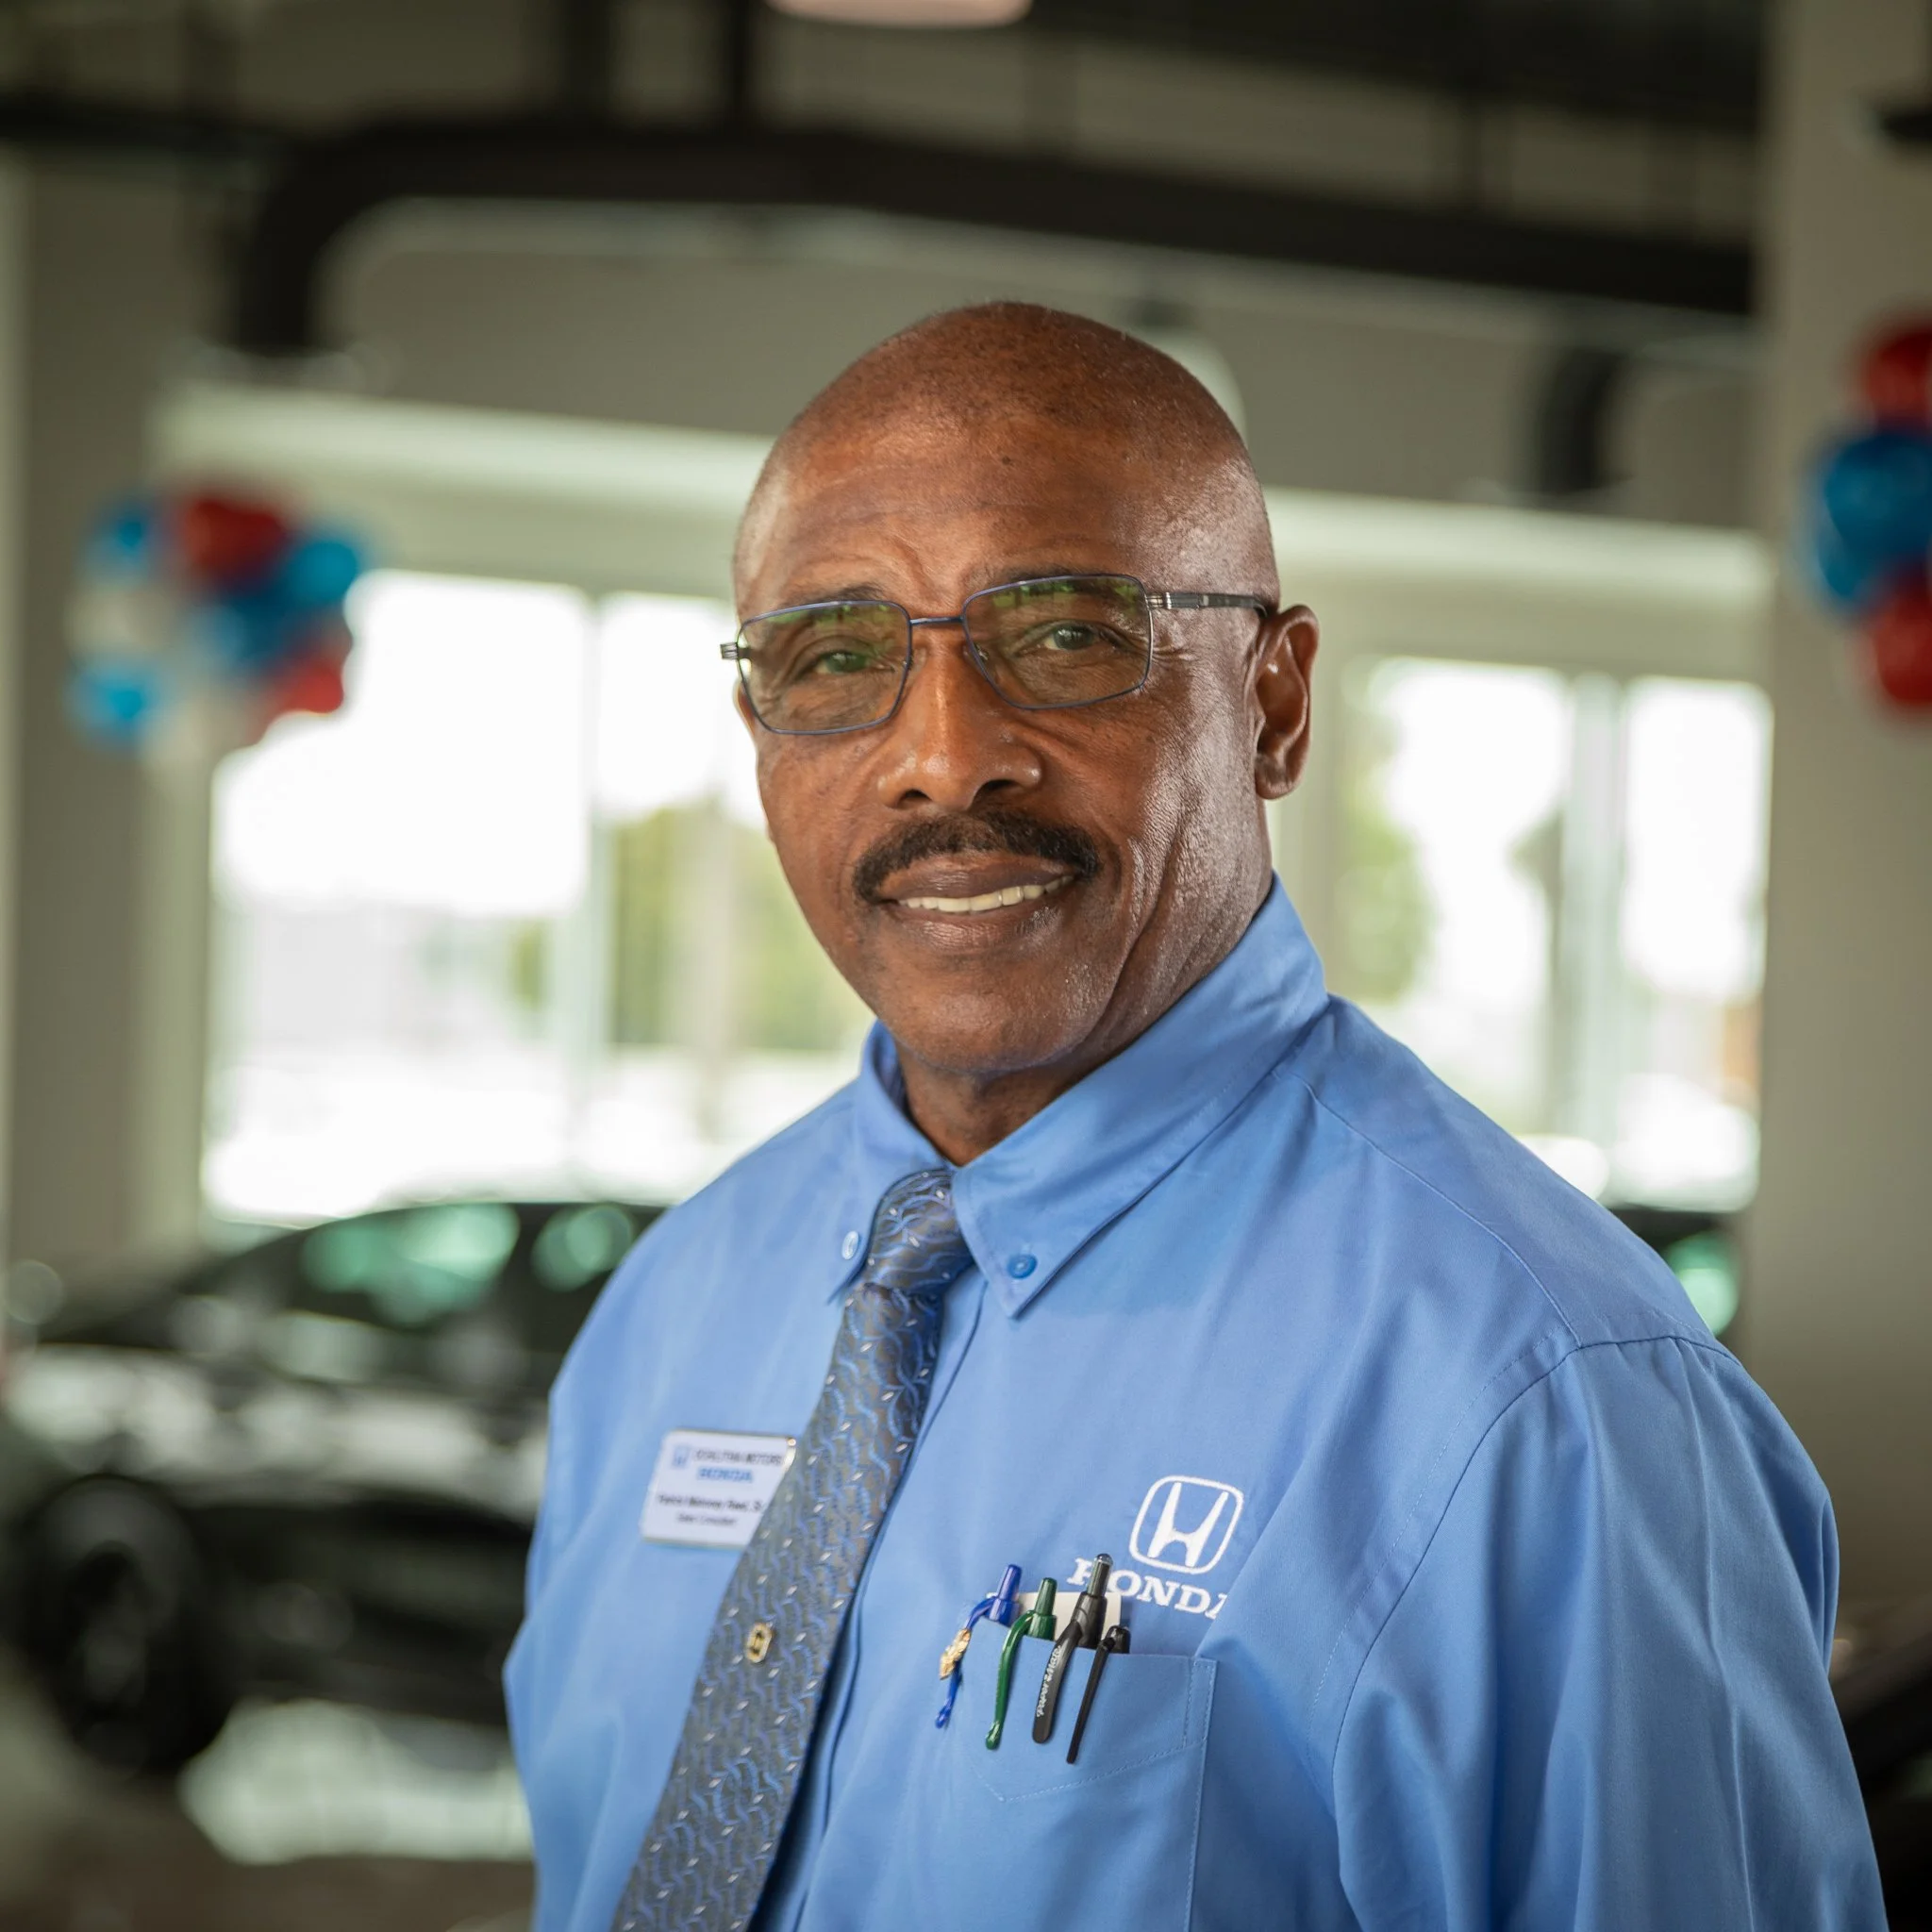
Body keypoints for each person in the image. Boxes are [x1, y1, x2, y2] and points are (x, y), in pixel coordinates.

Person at [507, 303, 1883, 1932]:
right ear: (763, 734)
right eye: (837, 656)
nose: (944, 759)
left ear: (1275, 705)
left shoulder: (1545, 1402)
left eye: (1067, 635)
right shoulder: (680, 1308)